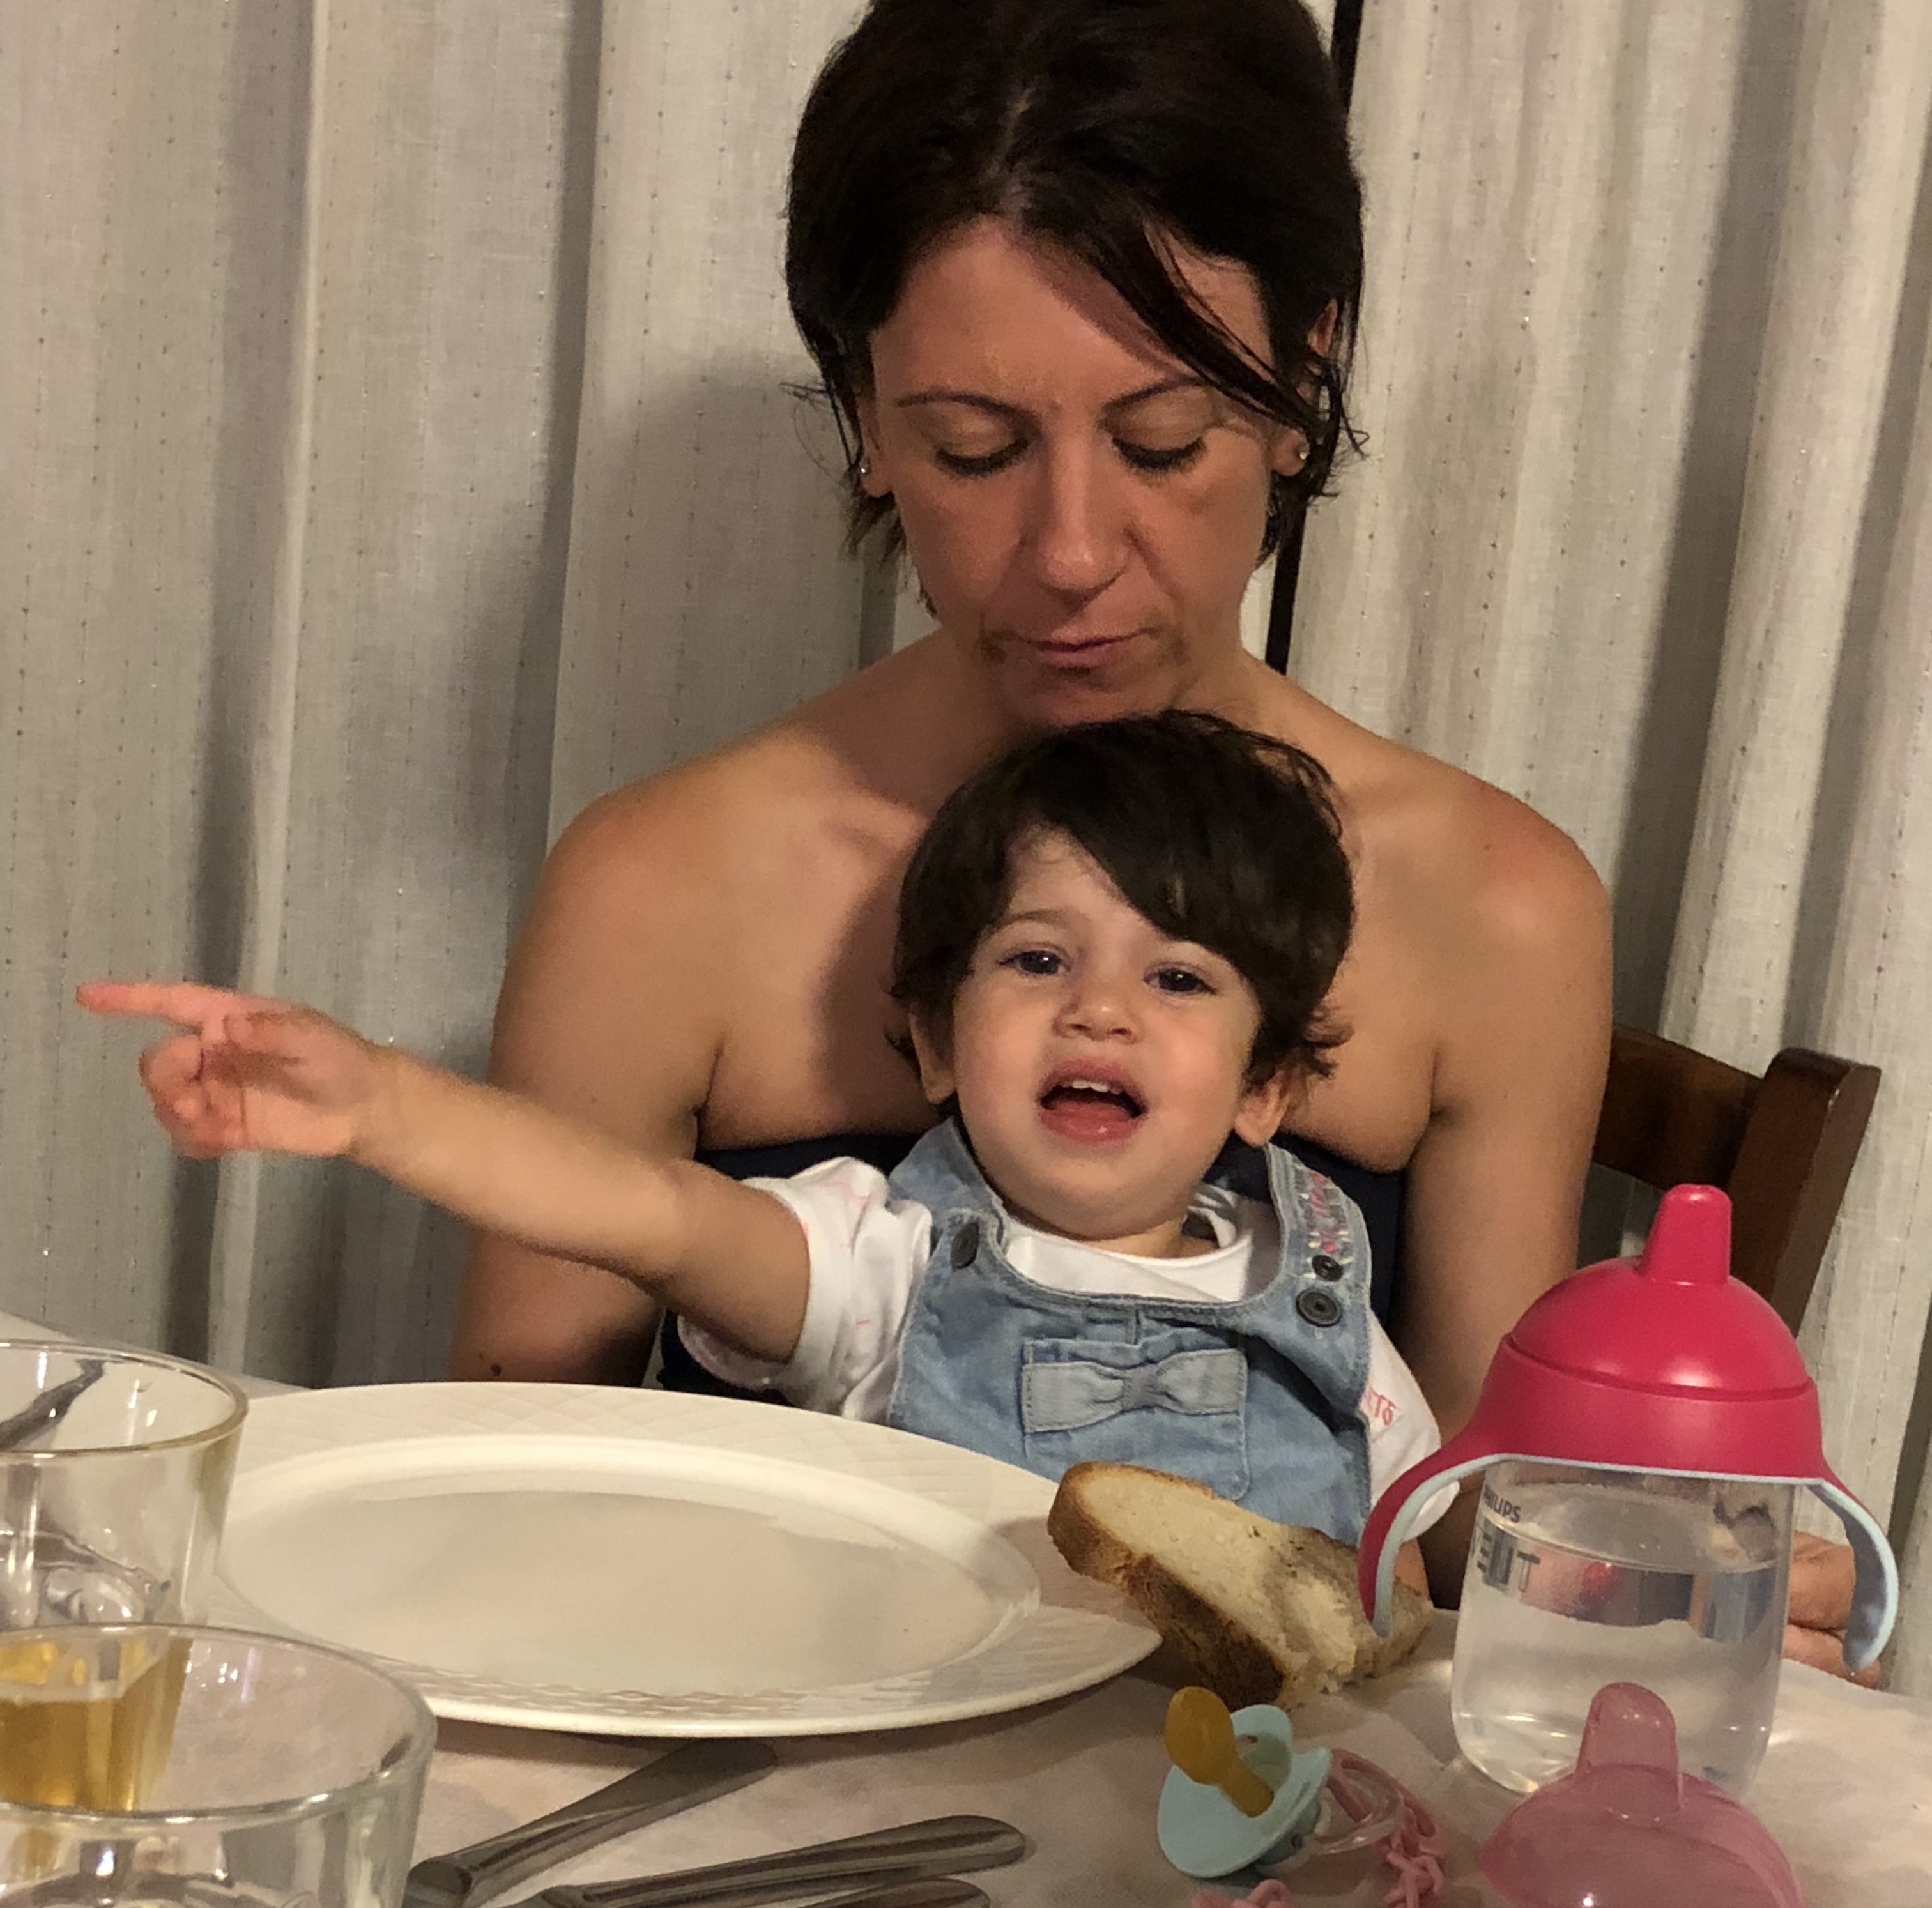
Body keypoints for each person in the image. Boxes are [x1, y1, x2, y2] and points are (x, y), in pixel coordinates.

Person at [450, 0, 1857, 1670]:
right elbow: (507, 1491)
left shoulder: (1489, 905)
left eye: (1161, 440)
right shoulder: (664, 888)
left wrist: (1657, 1586)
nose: (1069, 552)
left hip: (1250, 1795)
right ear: (865, 416)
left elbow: (1467, 1520)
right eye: (974, 448)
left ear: (1303, 383)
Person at [84, 714, 1441, 1554]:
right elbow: (643, 1212)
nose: (1100, 1009)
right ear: (933, 1041)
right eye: (1038, 961)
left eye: (1179, 979)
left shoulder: (1322, 1293)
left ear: (1266, 1087)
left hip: (1252, 1824)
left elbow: (1419, 1582)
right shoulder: (876, 1259)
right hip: (932, 1804)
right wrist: (382, 1103)